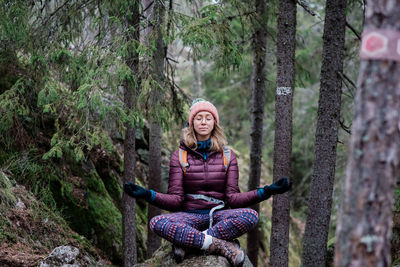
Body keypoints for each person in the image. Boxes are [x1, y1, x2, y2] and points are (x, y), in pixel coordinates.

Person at [124, 98, 291, 267]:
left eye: (208, 118)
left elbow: (233, 198)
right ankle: (220, 245)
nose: (203, 122)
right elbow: (175, 200)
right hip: (189, 216)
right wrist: (147, 194)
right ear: (191, 123)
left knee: (250, 216)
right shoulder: (180, 155)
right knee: (158, 222)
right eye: (198, 118)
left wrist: (267, 191)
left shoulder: (227, 155)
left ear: (214, 123)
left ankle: (190, 242)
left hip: (219, 216)